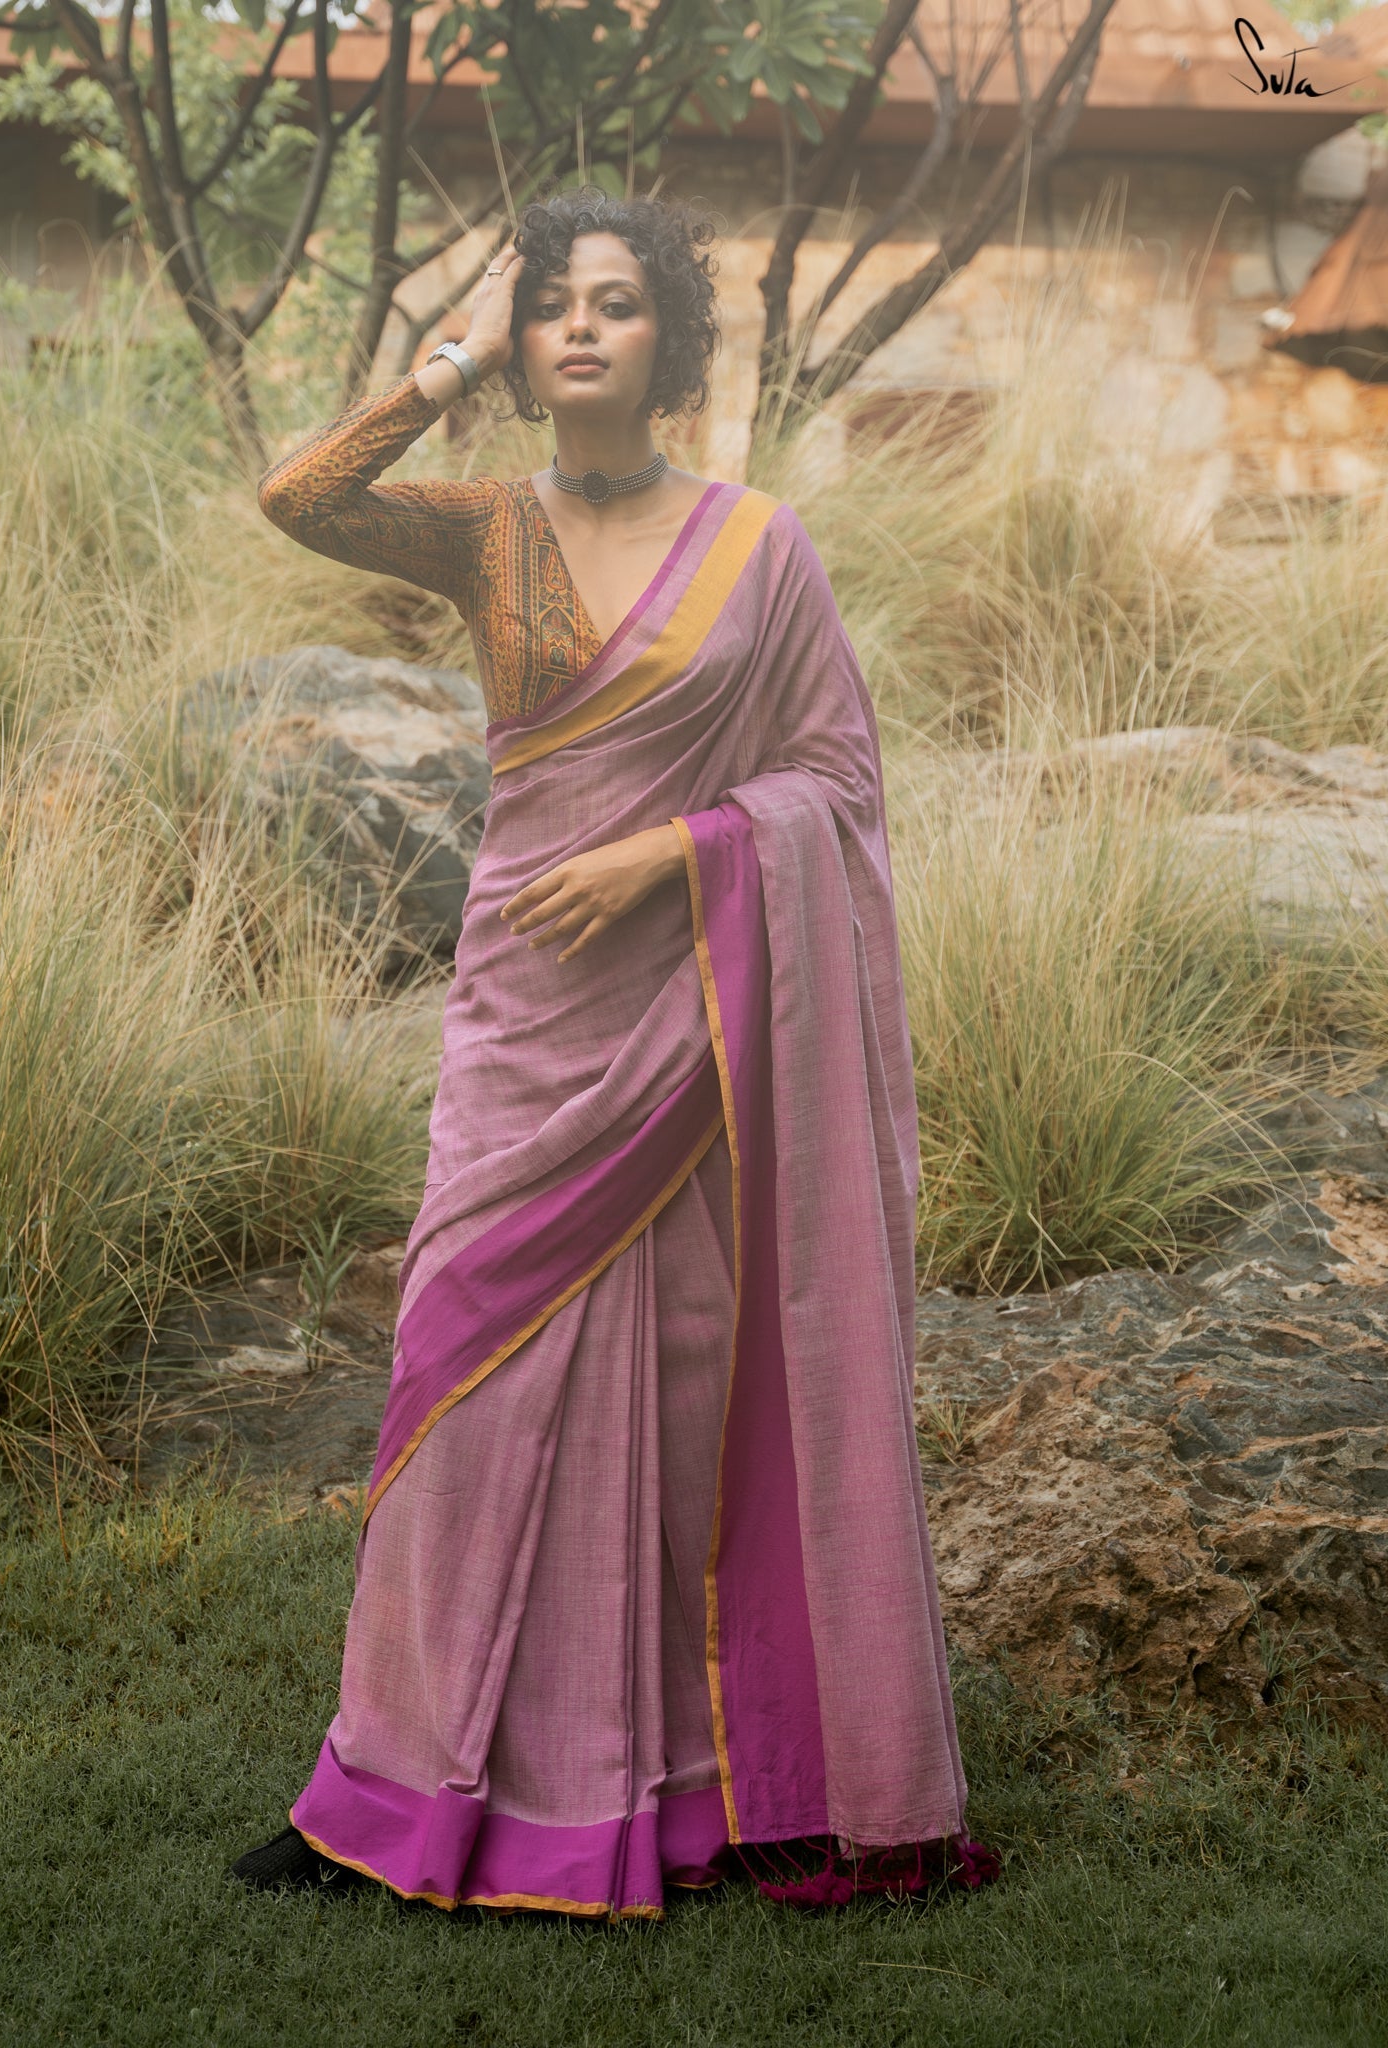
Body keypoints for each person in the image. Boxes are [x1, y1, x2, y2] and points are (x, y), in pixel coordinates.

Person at [233, 188, 996, 1920]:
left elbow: (839, 782)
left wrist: (679, 852)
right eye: (553, 303)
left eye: (617, 302)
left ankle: (677, 1782)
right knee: (458, 1380)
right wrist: (442, 366)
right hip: (523, 1021)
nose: (581, 326)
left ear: (673, 340)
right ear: (521, 336)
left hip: (687, 1011)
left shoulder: (761, 546)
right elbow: (301, 498)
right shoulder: (488, 529)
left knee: (676, 1394)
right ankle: (389, 1778)